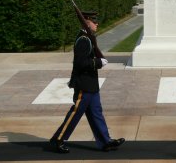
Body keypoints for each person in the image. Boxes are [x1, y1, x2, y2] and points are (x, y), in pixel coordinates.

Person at [50, 10, 125, 153]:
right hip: (84, 84)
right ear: (86, 22)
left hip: (91, 84)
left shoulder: (88, 37)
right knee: (75, 114)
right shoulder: (83, 40)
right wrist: (97, 62)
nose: (97, 23)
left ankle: (105, 141)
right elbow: (80, 63)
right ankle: (58, 140)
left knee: (96, 113)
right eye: (94, 21)